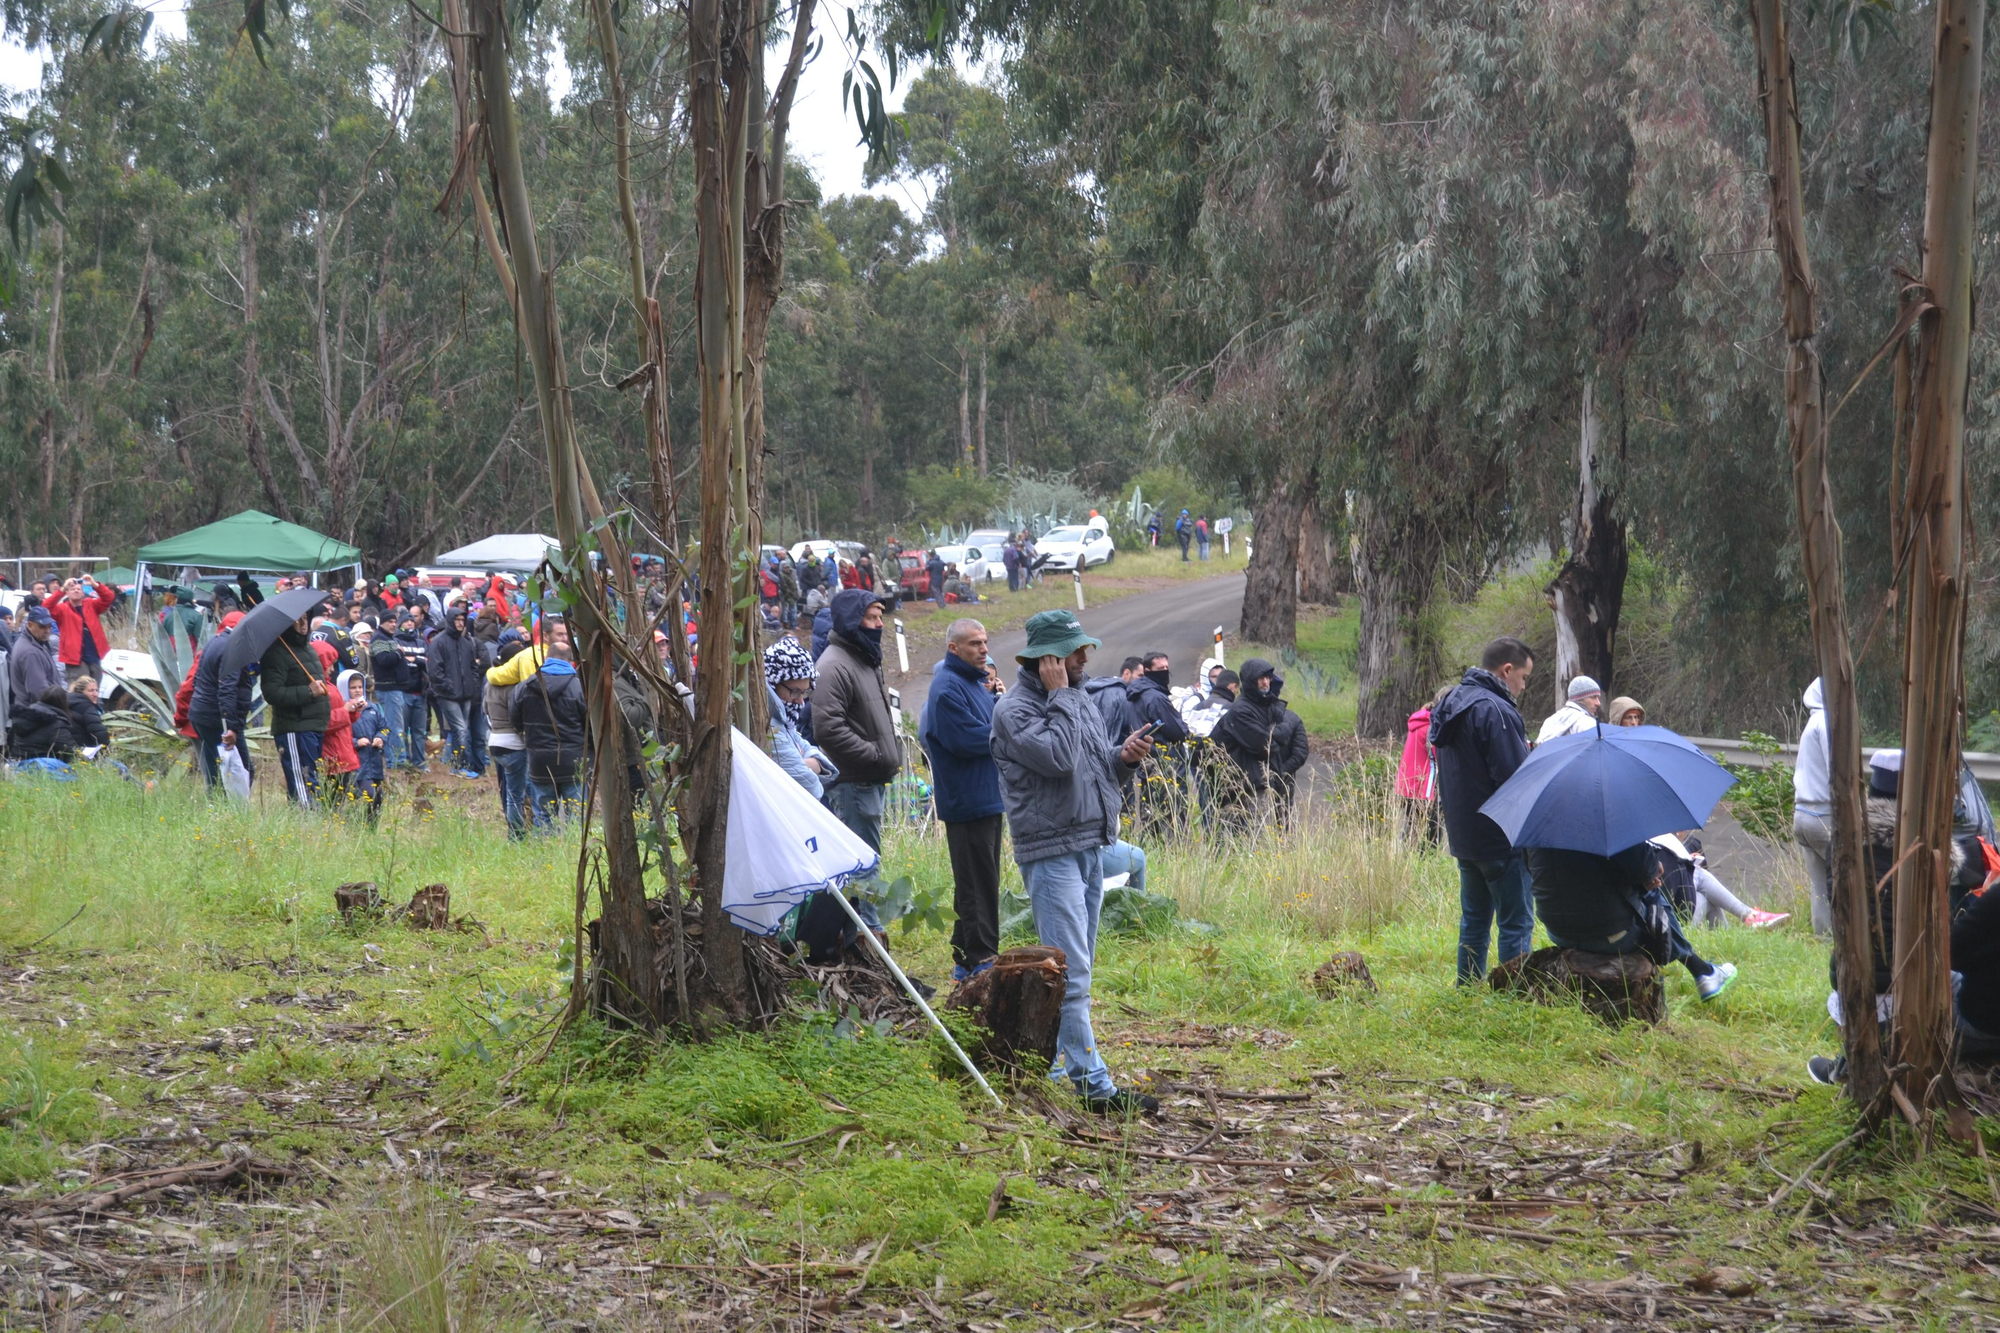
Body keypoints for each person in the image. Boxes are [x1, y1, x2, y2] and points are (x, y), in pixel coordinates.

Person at [991, 609, 1159, 1116]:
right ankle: (1095, 1088)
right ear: (1048, 660)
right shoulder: (1015, 710)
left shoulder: (1077, 698)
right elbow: (1059, 759)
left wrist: (1123, 759)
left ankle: (1062, 1064)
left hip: (1088, 843)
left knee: (1076, 969)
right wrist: (1061, 694)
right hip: (1051, 852)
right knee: (1070, 973)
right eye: (1074, 652)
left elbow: (1090, 766)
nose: (1085, 658)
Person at [1431, 637, 1536, 983]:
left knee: (1474, 920)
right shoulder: (1497, 710)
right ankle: (1514, 996)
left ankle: (1468, 988)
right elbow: (1514, 780)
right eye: (1523, 677)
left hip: (1464, 835)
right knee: (1515, 923)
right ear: (1507, 671)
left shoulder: (1450, 702)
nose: (1522, 686)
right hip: (1501, 839)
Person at [1525, 840, 1739, 1000]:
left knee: (1640, 892)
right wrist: (1654, 870)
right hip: (1611, 935)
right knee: (1652, 896)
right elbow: (1644, 867)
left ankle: (1701, 970)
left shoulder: (1540, 826)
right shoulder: (1609, 817)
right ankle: (1701, 971)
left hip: (1557, 932)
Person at [922, 618, 1006, 983]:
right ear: (954, 648)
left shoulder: (975, 683)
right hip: (966, 799)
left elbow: (990, 725)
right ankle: (982, 959)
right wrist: (1009, 728)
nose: (984, 649)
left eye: (985, 642)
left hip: (987, 796)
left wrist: (999, 704)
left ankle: (963, 956)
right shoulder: (947, 689)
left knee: (981, 880)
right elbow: (970, 739)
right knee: (975, 884)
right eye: (974, 644)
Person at [814, 588, 902, 935]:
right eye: (872, 617)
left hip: (869, 781)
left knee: (868, 859)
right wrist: (875, 756)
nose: (879, 624)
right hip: (853, 784)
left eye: (881, 617)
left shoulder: (864, 659)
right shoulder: (834, 665)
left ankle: (864, 939)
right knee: (861, 864)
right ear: (853, 621)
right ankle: (866, 939)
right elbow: (828, 728)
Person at [1212, 657, 1309, 810]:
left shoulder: (1267, 707)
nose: (1265, 682)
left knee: (1270, 828)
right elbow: (1266, 746)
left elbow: (1299, 752)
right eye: (1260, 678)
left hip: (1265, 784)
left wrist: (1279, 773)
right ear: (1251, 681)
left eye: (1267, 678)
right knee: (1249, 831)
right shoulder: (1241, 710)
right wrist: (1282, 730)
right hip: (1243, 787)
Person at [511, 638, 589, 826]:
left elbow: (515, 721)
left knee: (543, 817)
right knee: (576, 820)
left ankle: (544, 852)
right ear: (571, 661)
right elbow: (590, 727)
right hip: (574, 762)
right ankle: (574, 854)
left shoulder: (525, 687)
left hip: (540, 763)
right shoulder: (580, 688)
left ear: (546, 657)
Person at [261, 609, 333, 807]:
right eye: (297, 620)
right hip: (295, 727)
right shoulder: (276, 653)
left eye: (305, 619)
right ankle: (307, 825)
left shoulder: (307, 648)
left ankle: (313, 823)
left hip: (314, 727)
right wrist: (308, 692)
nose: (303, 624)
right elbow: (272, 693)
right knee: (303, 783)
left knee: (313, 780)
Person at [1651, 832, 1790, 928]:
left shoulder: (1646, 848)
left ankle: (1730, 947)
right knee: (1699, 874)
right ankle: (1750, 916)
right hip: (1666, 927)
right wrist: (1685, 866)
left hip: (1665, 921)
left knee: (1708, 897)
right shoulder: (1657, 849)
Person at [186, 610, 256, 790]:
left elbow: (196, 679)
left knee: (215, 769)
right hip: (217, 719)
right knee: (242, 770)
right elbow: (227, 689)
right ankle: (233, 812)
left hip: (200, 713)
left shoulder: (214, 641)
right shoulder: (233, 648)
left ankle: (216, 808)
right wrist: (231, 727)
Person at [765, 637, 833, 798]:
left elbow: (825, 765)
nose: (800, 701)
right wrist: (810, 763)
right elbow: (812, 788)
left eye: (804, 692)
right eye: (795, 691)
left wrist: (807, 763)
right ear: (773, 684)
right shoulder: (770, 727)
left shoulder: (783, 722)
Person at [1792, 677, 1834, 937]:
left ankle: (1822, 940)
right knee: (1843, 882)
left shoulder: (1812, 723)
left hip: (1802, 815)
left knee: (1818, 886)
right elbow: (1837, 773)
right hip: (1824, 816)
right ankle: (1844, 942)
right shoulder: (1828, 723)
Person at [485, 632, 534, 836]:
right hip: (514, 743)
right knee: (518, 792)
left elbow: (486, 711)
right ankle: (517, 834)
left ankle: (517, 829)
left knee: (509, 790)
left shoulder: (489, 685)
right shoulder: (514, 687)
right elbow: (518, 718)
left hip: (495, 741)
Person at [427, 606, 485, 779]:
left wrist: (472, 685)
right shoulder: (439, 642)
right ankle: (459, 766)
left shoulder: (466, 643)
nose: (460, 623)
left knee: (463, 729)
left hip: (466, 694)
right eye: (457, 620)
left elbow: (474, 667)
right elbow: (435, 671)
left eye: (462, 620)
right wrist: (448, 687)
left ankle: (458, 764)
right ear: (451, 621)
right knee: (460, 729)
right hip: (447, 694)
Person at [370, 615, 423, 772]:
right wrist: (400, 653)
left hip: (396, 688)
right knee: (395, 727)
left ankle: (398, 760)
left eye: (395, 622)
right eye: (390, 622)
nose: (393, 625)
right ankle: (397, 762)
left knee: (397, 726)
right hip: (388, 689)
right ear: (383, 623)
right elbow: (384, 660)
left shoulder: (388, 638)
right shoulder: (379, 639)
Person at [44, 576, 119, 684]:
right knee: (80, 691)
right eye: (72, 589)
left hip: (94, 656)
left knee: (94, 690)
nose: (76, 590)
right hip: (75, 659)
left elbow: (109, 597)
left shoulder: (92, 604)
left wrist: (94, 584)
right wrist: (62, 589)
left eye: (79, 589)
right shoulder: (62, 609)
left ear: (83, 593)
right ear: (67, 593)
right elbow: (46, 607)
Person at [342, 670, 387, 823]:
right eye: (353, 688)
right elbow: (340, 736)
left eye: (360, 687)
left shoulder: (373, 708)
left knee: (378, 798)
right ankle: (355, 823)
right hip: (357, 764)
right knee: (368, 794)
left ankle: (370, 829)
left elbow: (385, 728)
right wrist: (356, 742)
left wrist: (380, 738)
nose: (357, 691)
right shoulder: (343, 711)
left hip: (374, 762)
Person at [1395, 696, 1440, 843]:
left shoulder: (1419, 723)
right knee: (1432, 835)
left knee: (1414, 828)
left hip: (1406, 787)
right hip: (1421, 790)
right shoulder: (1431, 728)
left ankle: (1406, 860)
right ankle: (1422, 863)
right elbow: (1439, 759)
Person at [10, 605, 63, 718]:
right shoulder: (30, 652)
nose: (48, 630)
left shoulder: (35, 642)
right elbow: (38, 691)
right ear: (29, 625)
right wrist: (57, 713)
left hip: (36, 713)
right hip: (38, 716)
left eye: (49, 626)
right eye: (42, 626)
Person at [1086, 658, 1145, 741]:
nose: (1144, 681)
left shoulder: (1102, 685)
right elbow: (1109, 732)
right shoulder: (1119, 695)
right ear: (1127, 673)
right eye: (1140, 676)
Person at [11, 686, 77, 760]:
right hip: (43, 765)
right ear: (64, 702)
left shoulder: (25, 717)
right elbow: (68, 752)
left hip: (18, 763)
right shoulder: (57, 723)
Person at [1536, 675, 1603, 742]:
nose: (1598, 703)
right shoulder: (1588, 724)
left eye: (1598, 698)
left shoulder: (1550, 721)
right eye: (1593, 697)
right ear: (1580, 699)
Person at [65, 675, 110, 750]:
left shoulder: (66, 701)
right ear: (80, 692)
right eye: (91, 690)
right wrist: (105, 749)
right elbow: (99, 733)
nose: (95, 694)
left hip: (69, 749)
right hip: (86, 749)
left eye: (96, 690)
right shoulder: (87, 708)